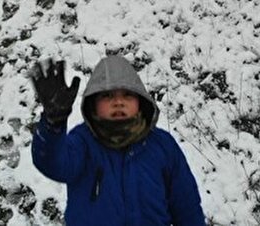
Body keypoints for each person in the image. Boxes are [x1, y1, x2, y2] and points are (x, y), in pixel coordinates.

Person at [30, 56, 205, 226]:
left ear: (140, 101)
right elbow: (53, 164)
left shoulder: (162, 145)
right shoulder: (83, 142)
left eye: (128, 94)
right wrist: (53, 125)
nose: (119, 102)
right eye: (107, 95)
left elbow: (187, 207)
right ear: (93, 103)